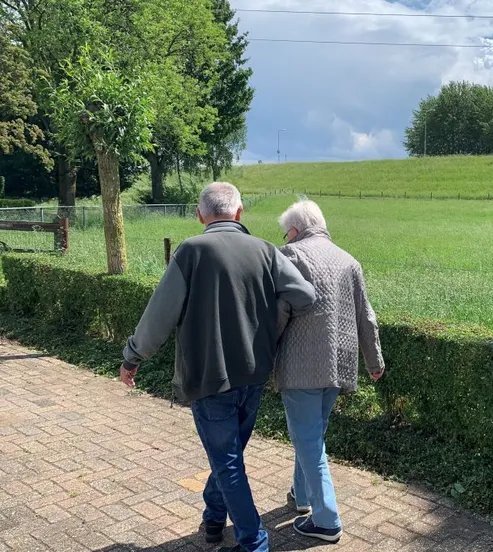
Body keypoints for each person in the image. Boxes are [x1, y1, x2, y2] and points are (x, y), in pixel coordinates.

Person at [119, 183, 316, 552]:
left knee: (226, 462)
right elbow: (304, 295)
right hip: (254, 373)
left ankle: (254, 541)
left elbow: (158, 317)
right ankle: (213, 520)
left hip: (209, 377)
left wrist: (132, 357)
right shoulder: (266, 251)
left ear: (200, 215)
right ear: (239, 213)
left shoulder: (192, 250)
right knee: (228, 457)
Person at [275, 199, 385, 543]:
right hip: (339, 364)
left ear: (294, 230)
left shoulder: (290, 255)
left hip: (301, 365)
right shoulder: (349, 261)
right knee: (311, 435)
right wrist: (374, 362)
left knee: (308, 441)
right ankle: (302, 496)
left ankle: (327, 520)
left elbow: (276, 313)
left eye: (285, 232)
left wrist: (259, 353)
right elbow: (366, 315)